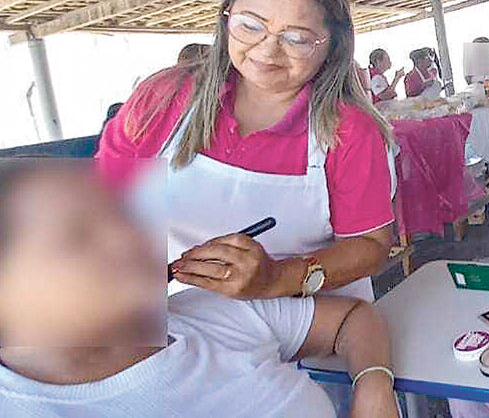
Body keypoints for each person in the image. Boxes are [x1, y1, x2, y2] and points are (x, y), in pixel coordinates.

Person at [96, 0, 395, 302]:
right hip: (181, 320)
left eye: (296, 38)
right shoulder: (164, 97)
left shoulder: (347, 131)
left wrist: (278, 277)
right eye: (250, 25)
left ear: (332, 46)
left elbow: (371, 245)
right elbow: (107, 200)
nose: (267, 50)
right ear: (227, 18)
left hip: (314, 324)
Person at [0, 160, 399, 418]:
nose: (128, 240)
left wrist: (374, 386)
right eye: (77, 238)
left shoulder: (207, 314)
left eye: (123, 217)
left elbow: (352, 317)